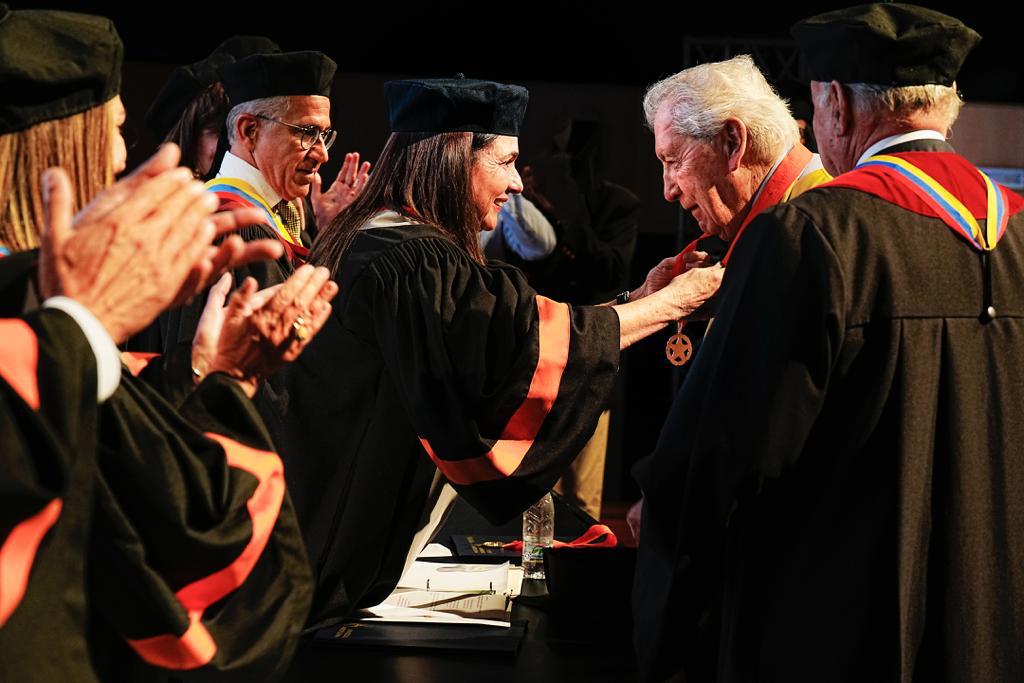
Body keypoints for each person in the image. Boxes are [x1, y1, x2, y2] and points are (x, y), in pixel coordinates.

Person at [633, 4, 1024, 682]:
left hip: (841, 629)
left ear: (836, 103)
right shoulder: (1018, 234)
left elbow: (723, 459)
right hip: (992, 624)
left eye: (815, 110)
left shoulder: (813, 235)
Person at [266, 76, 723, 630]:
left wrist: (638, 299)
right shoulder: (410, 258)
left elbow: (503, 327)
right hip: (327, 539)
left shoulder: (377, 238)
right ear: (458, 158)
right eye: (504, 163)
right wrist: (671, 303)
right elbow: (514, 351)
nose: (515, 185)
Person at [0, 9, 336, 680]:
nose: (124, 157)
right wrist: (84, 325)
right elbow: (153, 542)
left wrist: (213, 376)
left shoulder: (35, 308)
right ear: (57, 152)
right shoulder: (33, 323)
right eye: (115, 130)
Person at [626, 54, 832, 538]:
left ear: (732, 141)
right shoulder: (773, 224)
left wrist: (676, 488)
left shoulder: (814, 228)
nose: (668, 191)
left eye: (673, 161)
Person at [145, 35, 281, 180]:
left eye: (252, 131)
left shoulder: (288, 198)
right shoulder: (169, 199)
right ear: (191, 137)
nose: (240, 146)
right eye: (223, 131)